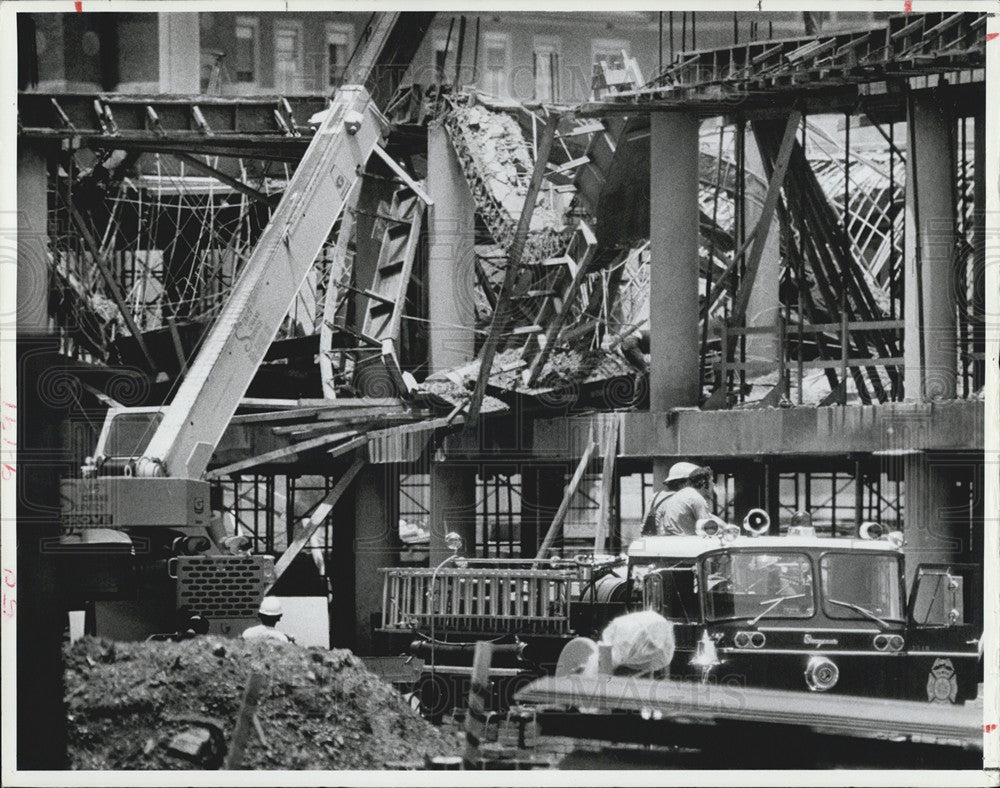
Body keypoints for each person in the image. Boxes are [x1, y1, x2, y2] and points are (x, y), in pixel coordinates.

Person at [641, 462, 714, 536]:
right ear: (686, 482)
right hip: (670, 540)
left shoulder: (656, 496)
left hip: (650, 539)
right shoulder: (683, 496)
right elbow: (705, 524)